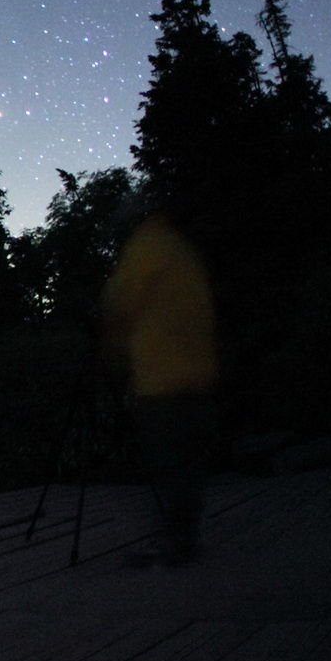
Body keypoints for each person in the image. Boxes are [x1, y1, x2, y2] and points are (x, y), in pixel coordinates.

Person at [99, 202, 218, 566]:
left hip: (162, 378)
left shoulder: (143, 250)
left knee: (168, 463)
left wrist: (112, 354)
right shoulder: (178, 248)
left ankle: (175, 544)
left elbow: (118, 307)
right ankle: (185, 538)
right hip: (199, 373)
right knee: (187, 463)